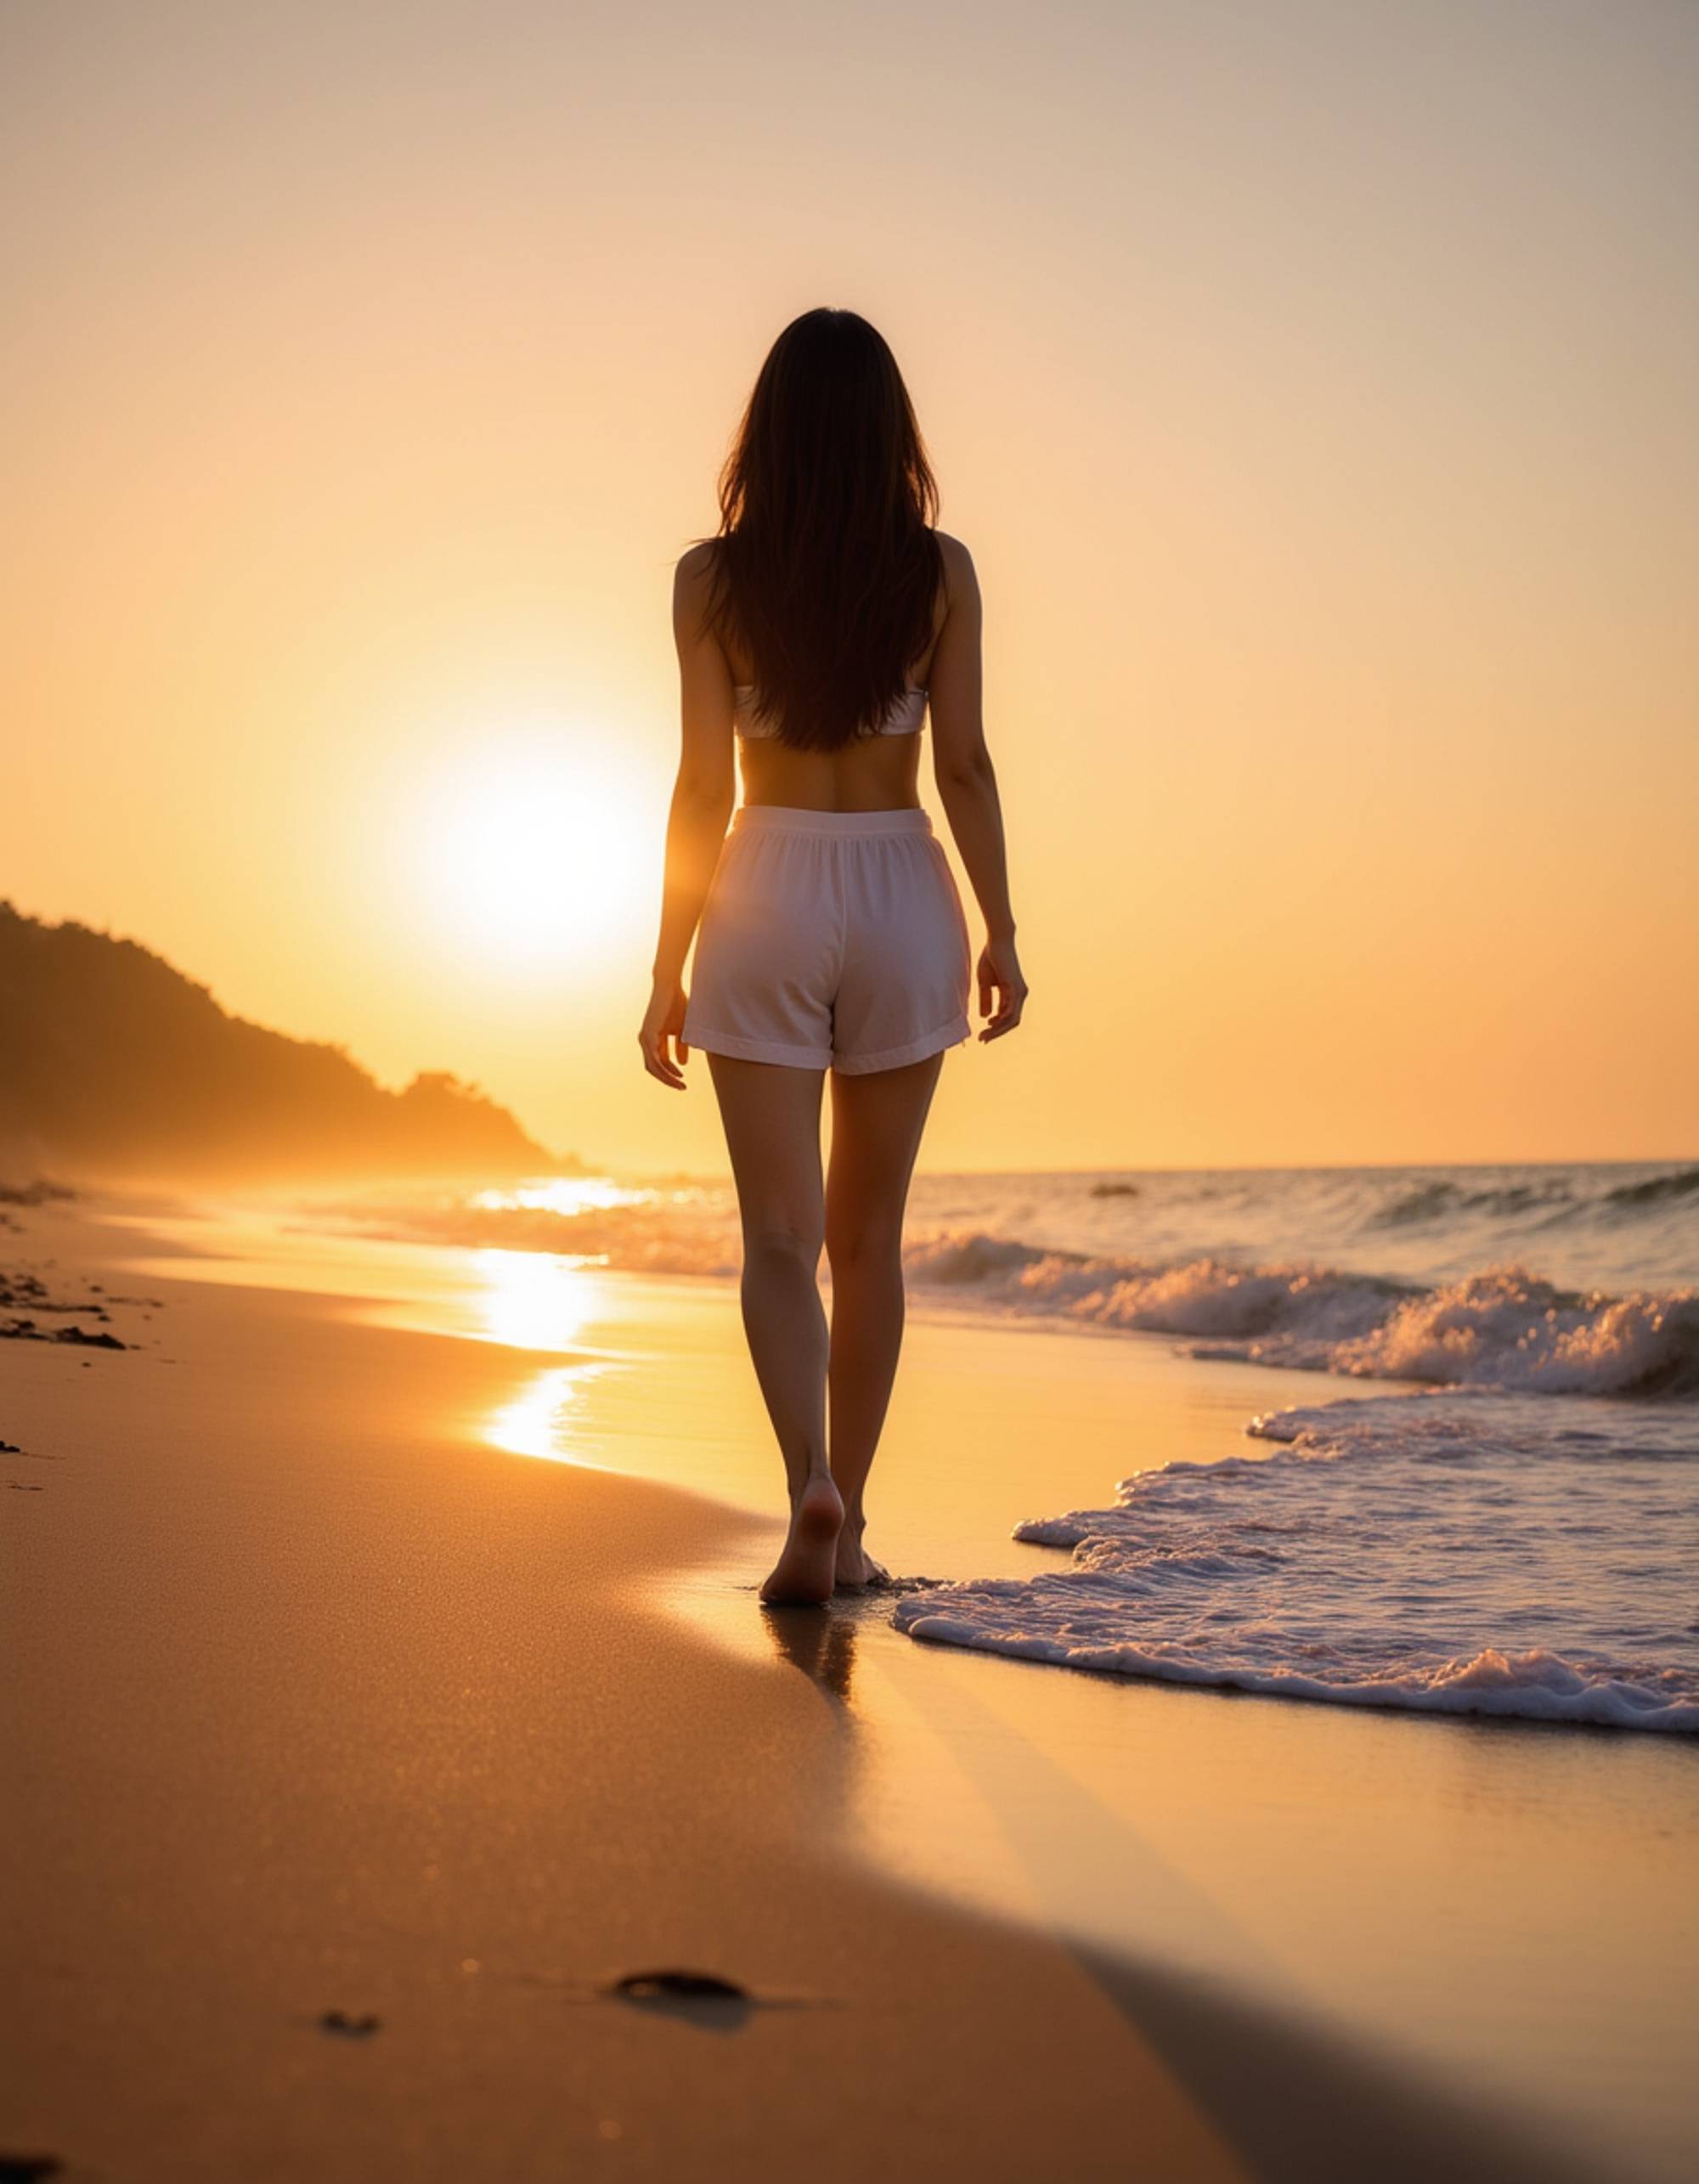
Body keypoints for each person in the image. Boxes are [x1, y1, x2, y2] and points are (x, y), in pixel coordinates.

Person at [640, 307, 1027, 1605]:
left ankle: (804, 1479)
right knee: (870, 1240)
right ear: (889, 432)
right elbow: (963, 763)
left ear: (771, 430)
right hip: (904, 882)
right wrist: (1005, 932)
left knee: (777, 1242)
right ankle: (850, 1519)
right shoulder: (940, 570)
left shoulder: (711, 578)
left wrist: (663, 967)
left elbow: (701, 788)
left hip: (763, 882)